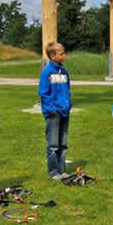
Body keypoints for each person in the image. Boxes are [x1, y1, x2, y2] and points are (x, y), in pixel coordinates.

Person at [38, 42, 72, 179]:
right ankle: (53, 171)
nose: (64, 56)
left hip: (65, 112)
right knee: (53, 144)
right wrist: (52, 110)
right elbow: (44, 93)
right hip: (53, 114)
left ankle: (62, 170)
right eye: (61, 53)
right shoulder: (47, 72)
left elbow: (67, 89)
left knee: (63, 143)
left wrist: (68, 104)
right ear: (52, 56)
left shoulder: (64, 71)